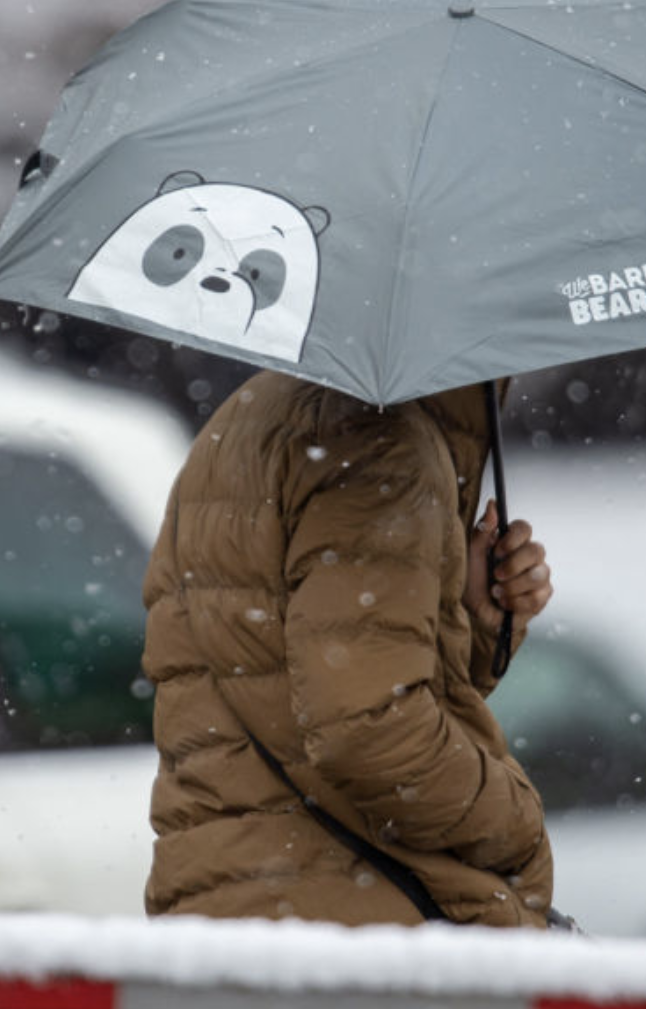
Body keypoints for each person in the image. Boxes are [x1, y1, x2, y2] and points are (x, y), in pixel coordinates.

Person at [141, 370, 556, 927]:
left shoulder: (253, 415)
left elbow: (286, 679)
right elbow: (367, 730)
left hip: (241, 904)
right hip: (352, 922)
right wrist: (519, 821)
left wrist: (467, 620)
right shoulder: (380, 444)